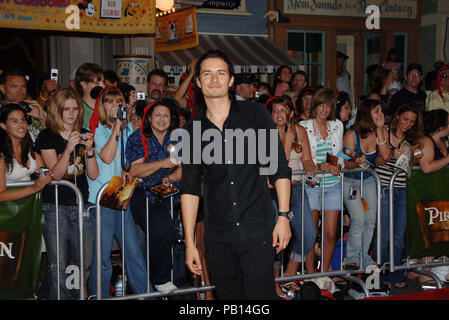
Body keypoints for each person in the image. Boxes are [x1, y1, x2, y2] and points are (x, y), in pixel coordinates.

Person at [180, 50, 292, 299]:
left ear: (231, 80)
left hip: (257, 230)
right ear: (197, 82)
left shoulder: (255, 115)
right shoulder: (192, 130)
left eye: (221, 73)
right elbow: (189, 187)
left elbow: (278, 168)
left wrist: (283, 216)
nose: (214, 79)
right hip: (218, 235)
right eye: (207, 74)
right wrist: (190, 243)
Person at [35, 89, 98, 300]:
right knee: (58, 262)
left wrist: (89, 151)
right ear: (57, 111)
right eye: (66, 109)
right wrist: (69, 149)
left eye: (74, 109)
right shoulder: (47, 136)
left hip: (81, 205)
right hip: (56, 206)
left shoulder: (84, 131)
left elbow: (93, 173)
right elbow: (57, 174)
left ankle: (81, 296)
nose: (71, 114)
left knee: (84, 259)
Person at [86, 87, 147, 298]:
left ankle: (144, 293)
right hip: (101, 197)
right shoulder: (97, 127)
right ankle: (98, 295)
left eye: (118, 102)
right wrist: (116, 129)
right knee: (102, 257)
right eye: (109, 102)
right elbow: (107, 157)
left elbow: (128, 161)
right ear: (102, 106)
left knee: (132, 250)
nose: (114, 106)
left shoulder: (129, 126)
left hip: (120, 192)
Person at [126, 98, 181, 294]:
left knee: (172, 233)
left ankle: (167, 276)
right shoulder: (137, 137)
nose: (162, 119)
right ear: (149, 118)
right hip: (144, 192)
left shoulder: (177, 138)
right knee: (161, 230)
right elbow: (135, 170)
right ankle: (161, 279)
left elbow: (183, 168)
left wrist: (170, 177)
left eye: (166, 115)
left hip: (171, 192)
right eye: (157, 115)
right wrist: (162, 163)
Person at [267, 96, 315, 298]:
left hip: (296, 188)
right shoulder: (265, 134)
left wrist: (312, 171)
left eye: (283, 110)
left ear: (291, 113)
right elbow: (279, 168)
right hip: (273, 191)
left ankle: (289, 274)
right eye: (275, 111)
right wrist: (286, 142)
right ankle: (275, 284)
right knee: (276, 239)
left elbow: (307, 159)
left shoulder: (300, 131)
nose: (279, 115)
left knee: (308, 233)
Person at [373, 102, 424, 289]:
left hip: (401, 188)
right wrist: (391, 154)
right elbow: (376, 161)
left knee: (399, 235)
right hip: (384, 188)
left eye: (411, 121)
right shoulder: (384, 132)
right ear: (397, 116)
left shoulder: (412, 139)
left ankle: (395, 273)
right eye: (405, 119)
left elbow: (412, 164)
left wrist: (413, 157)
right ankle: (381, 273)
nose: (408, 124)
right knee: (384, 235)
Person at [340, 99, 390, 271]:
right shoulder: (351, 134)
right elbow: (346, 165)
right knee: (359, 218)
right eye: (377, 111)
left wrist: (381, 129)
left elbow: (385, 156)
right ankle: (352, 258)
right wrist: (356, 161)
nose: (380, 114)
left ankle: (364, 255)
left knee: (370, 219)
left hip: (368, 180)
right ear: (367, 113)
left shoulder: (380, 132)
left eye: (381, 111)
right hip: (351, 181)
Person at [300, 88, 344, 273]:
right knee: (311, 234)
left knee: (331, 234)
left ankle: (324, 273)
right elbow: (302, 157)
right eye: (321, 105)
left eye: (328, 105)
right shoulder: (303, 126)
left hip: (333, 184)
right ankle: (311, 274)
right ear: (314, 106)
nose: (325, 109)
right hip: (312, 184)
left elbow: (339, 153)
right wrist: (318, 166)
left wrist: (338, 166)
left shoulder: (337, 125)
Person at [0, 103, 52, 202]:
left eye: (23, 120)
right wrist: (33, 188)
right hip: (6, 211)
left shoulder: (29, 149)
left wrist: (46, 176)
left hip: (27, 207)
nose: (21, 125)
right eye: (14, 121)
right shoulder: (2, 155)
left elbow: (44, 171)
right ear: (3, 126)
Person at [0, 68, 47, 140]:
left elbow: (54, 141)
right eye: (15, 86)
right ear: (2, 89)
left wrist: (42, 119)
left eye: (23, 86)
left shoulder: (35, 109)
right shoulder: (1, 112)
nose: (20, 91)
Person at [74, 63, 105, 129]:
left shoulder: (105, 105)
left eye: (103, 82)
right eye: (97, 83)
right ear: (84, 84)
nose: (103, 86)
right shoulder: (78, 109)